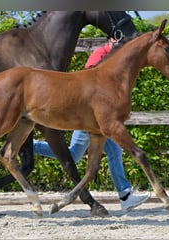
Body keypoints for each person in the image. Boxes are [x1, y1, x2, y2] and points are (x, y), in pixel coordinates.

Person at [34, 35, 150, 211]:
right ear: (111, 40)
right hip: (90, 117)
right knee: (74, 155)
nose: (121, 44)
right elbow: (89, 79)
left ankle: (125, 195)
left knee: (114, 154)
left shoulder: (116, 59)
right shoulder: (100, 54)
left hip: (102, 119)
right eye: (118, 40)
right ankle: (32, 146)